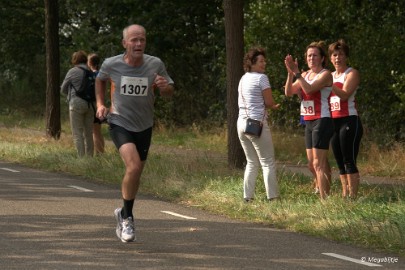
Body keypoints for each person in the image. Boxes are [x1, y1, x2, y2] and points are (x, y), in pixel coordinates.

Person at [95, 24, 174, 243]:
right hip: (119, 121)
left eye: (142, 40)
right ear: (125, 43)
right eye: (134, 40)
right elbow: (100, 79)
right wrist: (101, 104)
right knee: (134, 166)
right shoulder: (112, 64)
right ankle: (128, 218)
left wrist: (164, 86)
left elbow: (169, 92)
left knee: (137, 173)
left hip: (144, 125)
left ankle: (123, 211)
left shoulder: (155, 63)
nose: (138, 44)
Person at [284, 41, 333, 200]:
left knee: (319, 163)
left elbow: (310, 89)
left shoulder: (325, 74)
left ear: (322, 58)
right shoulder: (305, 75)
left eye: (315, 55)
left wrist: (298, 74)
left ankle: (324, 199)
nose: (312, 58)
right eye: (309, 55)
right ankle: (323, 186)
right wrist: (291, 73)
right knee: (312, 164)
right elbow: (289, 92)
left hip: (322, 118)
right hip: (309, 120)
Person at [237, 47, 280, 202]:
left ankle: (247, 197)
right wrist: (274, 106)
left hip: (241, 123)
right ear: (252, 63)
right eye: (261, 61)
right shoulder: (262, 78)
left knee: (251, 161)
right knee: (267, 161)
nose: (264, 63)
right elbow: (268, 102)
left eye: (264, 61)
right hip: (256, 123)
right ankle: (273, 198)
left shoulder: (243, 78)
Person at [328, 40, 363, 199]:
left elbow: (344, 94)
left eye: (341, 54)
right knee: (339, 160)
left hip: (349, 120)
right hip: (333, 121)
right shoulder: (329, 75)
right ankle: (344, 193)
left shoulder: (351, 73)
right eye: (334, 55)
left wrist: (329, 84)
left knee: (349, 159)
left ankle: (353, 197)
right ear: (330, 58)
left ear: (346, 56)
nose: (337, 58)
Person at [61, 50, 94, 157]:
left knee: (77, 133)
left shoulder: (72, 71)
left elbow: (63, 89)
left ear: (75, 60)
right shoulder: (91, 72)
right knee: (89, 133)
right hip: (91, 104)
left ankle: (81, 158)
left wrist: (70, 94)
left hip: (76, 103)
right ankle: (90, 158)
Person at [87, 53, 105, 155]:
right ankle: (100, 152)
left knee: (93, 131)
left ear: (89, 62)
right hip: (99, 104)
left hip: (92, 104)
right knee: (98, 131)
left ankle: (97, 153)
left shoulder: (90, 75)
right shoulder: (101, 74)